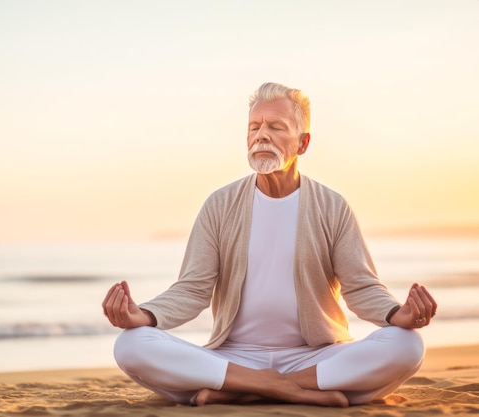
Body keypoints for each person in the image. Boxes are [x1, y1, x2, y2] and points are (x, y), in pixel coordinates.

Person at [101, 82, 437, 407]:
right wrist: (144, 314)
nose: (261, 135)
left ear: (302, 143)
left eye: (276, 127)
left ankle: (239, 391)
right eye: (254, 127)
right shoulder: (219, 205)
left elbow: (361, 288)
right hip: (234, 357)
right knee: (131, 345)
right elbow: (192, 290)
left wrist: (396, 313)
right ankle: (283, 389)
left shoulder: (333, 206)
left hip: (316, 356)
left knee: (407, 345)